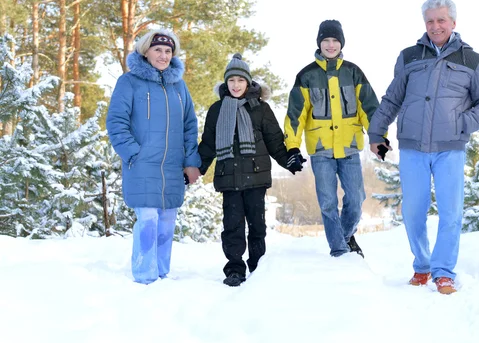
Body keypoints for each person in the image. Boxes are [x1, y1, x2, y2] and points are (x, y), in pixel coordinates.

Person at [368, 0, 479, 294]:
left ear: (453, 22)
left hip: (450, 148)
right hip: (413, 146)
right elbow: (392, 98)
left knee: (451, 212)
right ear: (424, 23)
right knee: (413, 211)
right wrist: (377, 133)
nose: (435, 26)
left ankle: (444, 272)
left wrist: (462, 123)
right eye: (430, 21)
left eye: (441, 20)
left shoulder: (472, 60)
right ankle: (423, 265)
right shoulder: (409, 56)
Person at [198, 53, 303, 287]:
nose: (236, 85)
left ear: (248, 82)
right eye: (231, 81)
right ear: (226, 83)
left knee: (257, 224)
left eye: (240, 81)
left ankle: (257, 265)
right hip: (229, 177)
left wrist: (289, 160)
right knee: (232, 226)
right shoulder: (216, 110)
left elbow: (274, 140)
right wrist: (197, 168)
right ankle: (235, 268)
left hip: (256, 176)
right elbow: (208, 144)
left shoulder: (261, 109)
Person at [106, 29, 201, 284]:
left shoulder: (179, 86)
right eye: (158, 49)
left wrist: (191, 162)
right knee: (147, 219)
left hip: (172, 166)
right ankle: (144, 276)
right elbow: (116, 122)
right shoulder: (129, 82)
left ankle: (161, 273)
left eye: (168, 51)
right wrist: (133, 154)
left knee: (167, 220)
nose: (163, 55)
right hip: (142, 163)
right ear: (145, 51)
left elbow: (190, 125)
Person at [284, 20, 381, 258]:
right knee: (328, 203)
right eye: (325, 40)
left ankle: (345, 237)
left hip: (349, 147)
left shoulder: (353, 72)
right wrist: (292, 148)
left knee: (356, 199)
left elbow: (369, 108)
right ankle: (339, 250)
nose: (330, 45)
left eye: (335, 40)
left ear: (341, 43)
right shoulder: (306, 75)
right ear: (319, 43)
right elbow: (296, 115)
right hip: (321, 150)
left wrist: (378, 137)